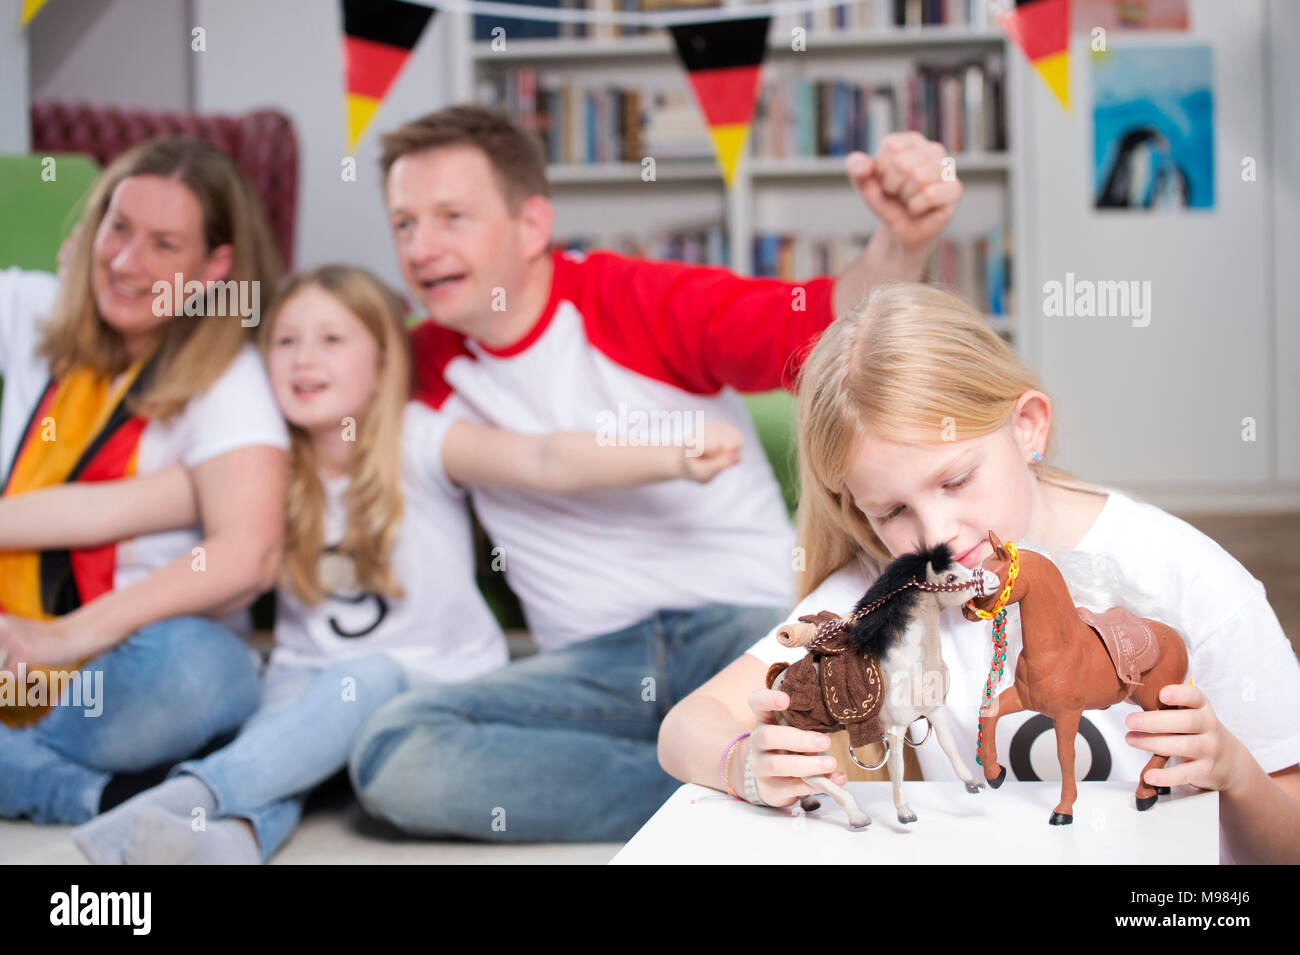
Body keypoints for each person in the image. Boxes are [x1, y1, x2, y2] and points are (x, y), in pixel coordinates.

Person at [347, 104, 964, 841]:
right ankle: (724, 780)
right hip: (593, 665)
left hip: (740, 628)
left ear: (532, 224)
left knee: (851, 694)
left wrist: (899, 243)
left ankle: (743, 766)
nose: (422, 247)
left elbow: (829, 326)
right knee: (392, 751)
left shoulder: (634, 300)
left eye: (452, 215)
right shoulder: (419, 364)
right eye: (404, 224)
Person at [26, 263, 741, 863]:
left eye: (332, 339)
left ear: (380, 361)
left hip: (431, 681)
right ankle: (222, 840)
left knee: (366, 677)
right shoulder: (261, 465)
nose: (305, 359)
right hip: (307, 692)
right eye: (285, 341)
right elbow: (101, 508)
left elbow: (542, 455)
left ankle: (192, 796)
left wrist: (670, 453)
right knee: (281, 749)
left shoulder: (417, 439)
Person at [656, 282, 1300, 864]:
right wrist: (745, 762)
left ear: (1027, 427)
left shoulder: (1188, 577)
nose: (935, 536)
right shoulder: (882, 590)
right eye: (894, 510)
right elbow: (685, 724)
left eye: (957, 480)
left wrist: (1237, 774)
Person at [0, 137, 289, 825]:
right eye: (118, 227)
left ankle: (28, 762)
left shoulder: (228, 376)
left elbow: (248, 552)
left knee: (199, 669)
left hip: (121, 666)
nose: (128, 262)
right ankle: (98, 791)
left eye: (165, 244)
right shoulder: (32, 309)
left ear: (216, 265)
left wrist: (61, 638)